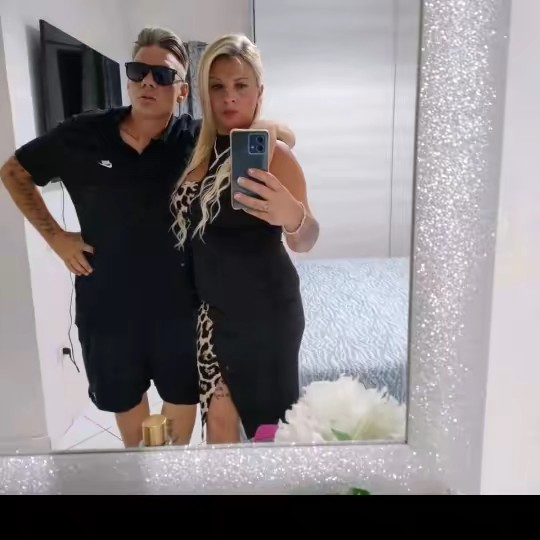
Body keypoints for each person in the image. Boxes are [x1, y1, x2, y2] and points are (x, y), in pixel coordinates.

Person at [0, 26, 294, 448]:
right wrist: (57, 238)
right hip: (107, 309)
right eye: (138, 72)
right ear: (128, 79)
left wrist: (268, 127)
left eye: (163, 75)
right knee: (134, 439)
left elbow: (276, 133)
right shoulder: (83, 133)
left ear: (182, 90)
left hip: (181, 310)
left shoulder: (196, 141)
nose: (148, 83)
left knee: (177, 432)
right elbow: (14, 171)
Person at [172, 33, 320, 444]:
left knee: (267, 434)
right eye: (217, 86)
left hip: (265, 315)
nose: (229, 97)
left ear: (259, 93)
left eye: (241, 85)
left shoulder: (273, 155)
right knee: (219, 425)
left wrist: (292, 216)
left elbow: (306, 240)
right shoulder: (195, 151)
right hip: (213, 315)